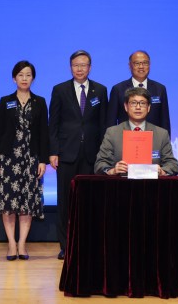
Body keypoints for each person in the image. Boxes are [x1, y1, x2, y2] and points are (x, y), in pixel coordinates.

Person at [49, 50, 108, 260]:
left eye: (84, 65)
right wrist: (53, 152)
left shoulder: (100, 90)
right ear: (70, 67)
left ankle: (89, 243)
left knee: (91, 201)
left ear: (90, 67)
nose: (80, 69)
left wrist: (105, 153)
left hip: (92, 154)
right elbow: (53, 123)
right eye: (76, 65)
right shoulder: (60, 90)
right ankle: (66, 246)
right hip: (67, 154)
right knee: (65, 201)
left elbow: (104, 125)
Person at [0, 60, 48, 261]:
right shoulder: (5, 101)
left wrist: (43, 160)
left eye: (28, 75)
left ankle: (22, 244)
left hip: (30, 159)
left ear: (33, 78)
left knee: (27, 203)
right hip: (8, 159)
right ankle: (11, 244)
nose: (24, 78)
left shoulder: (40, 102)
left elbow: (43, 133)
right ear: (14, 78)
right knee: (8, 203)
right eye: (21, 75)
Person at [95, 87, 178, 176]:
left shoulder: (161, 134)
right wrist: (112, 170)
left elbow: (173, 165)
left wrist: (162, 171)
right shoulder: (112, 132)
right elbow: (100, 164)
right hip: (121, 185)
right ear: (126, 107)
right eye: (133, 103)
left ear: (149, 107)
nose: (138, 107)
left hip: (151, 186)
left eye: (142, 103)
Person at [106, 50, 171, 134]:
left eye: (145, 63)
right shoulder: (118, 89)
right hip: (125, 141)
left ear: (149, 65)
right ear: (130, 66)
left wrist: (165, 144)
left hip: (154, 140)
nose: (141, 66)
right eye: (137, 63)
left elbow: (165, 121)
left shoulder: (160, 89)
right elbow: (111, 121)